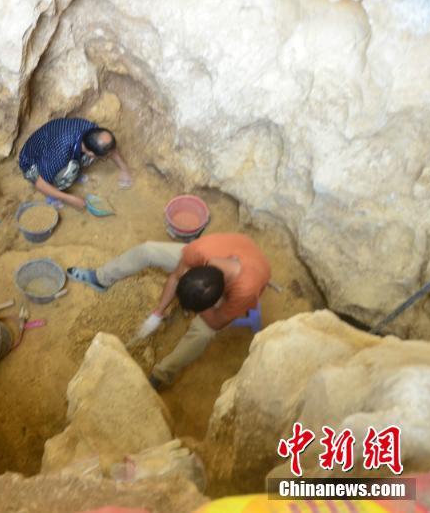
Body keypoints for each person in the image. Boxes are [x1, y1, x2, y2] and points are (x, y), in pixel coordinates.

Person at [67, 233, 271, 389]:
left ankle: (161, 375)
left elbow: (216, 322)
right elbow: (175, 277)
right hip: (219, 261)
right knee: (148, 250)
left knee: (203, 333)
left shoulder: (245, 291)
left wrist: (202, 310)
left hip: (247, 274)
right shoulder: (200, 251)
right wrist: (158, 311)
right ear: (194, 271)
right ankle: (101, 277)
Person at [18, 118, 131, 209]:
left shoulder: (93, 130)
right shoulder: (60, 154)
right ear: (91, 153)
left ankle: (70, 174)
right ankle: (52, 196)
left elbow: (110, 148)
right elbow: (40, 182)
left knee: (79, 163)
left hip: (50, 144)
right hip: (32, 161)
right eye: (105, 157)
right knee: (70, 171)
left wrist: (124, 169)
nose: (108, 157)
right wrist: (69, 198)